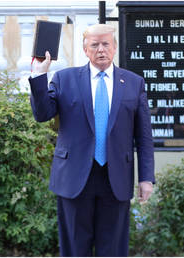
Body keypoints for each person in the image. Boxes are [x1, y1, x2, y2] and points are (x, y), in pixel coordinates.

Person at [29, 24, 155, 256]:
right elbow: (42, 114)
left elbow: (144, 136)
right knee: (76, 249)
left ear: (114, 47)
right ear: (85, 50)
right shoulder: (64, 79)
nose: (101, 49)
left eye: (106, 44)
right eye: (94, 45)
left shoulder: (134, 83)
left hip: (116, 178)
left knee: (113, 250)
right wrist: (39, 75)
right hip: (74, 177)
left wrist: (146, 178)